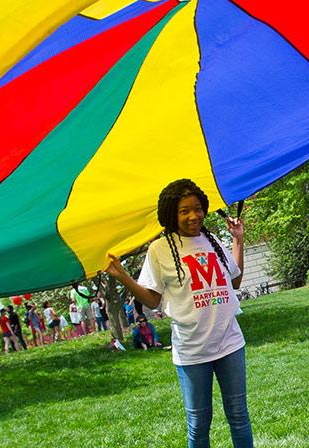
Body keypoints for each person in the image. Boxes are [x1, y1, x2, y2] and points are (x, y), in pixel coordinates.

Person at [104, 180, 254, 448]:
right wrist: (123, 277)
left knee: (239, 416)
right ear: (172, 213)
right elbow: (152, 299)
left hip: (230, 342)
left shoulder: (213, 241)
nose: (193, 216)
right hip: (192, 351)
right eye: (185, 210)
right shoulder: (160, 249)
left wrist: (238, 240)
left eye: (197, 209)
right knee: (198, 423)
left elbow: (235, 282)